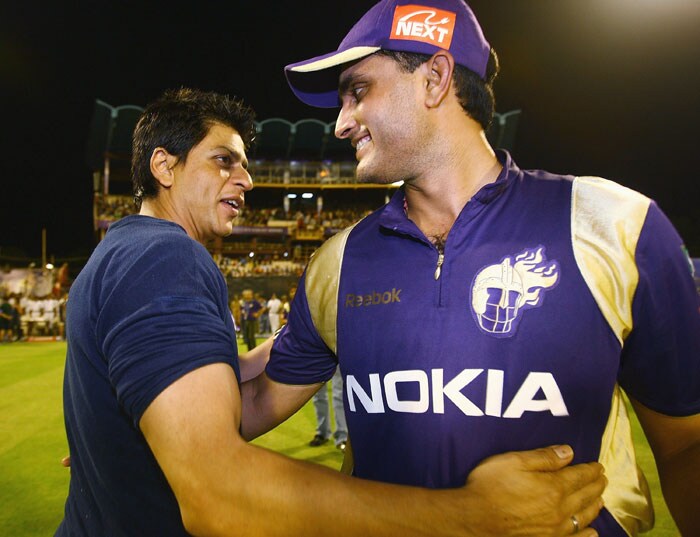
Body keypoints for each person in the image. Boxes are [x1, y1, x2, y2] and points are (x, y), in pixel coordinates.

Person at [56, 87, 606, 537]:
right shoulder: (165, 254)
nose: (245, 180)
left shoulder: (117, 253)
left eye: (244, 165)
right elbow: (216, 494)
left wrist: (320, 329)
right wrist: (474, 516)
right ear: (163, 167)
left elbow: (223, 391)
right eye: (224, 161)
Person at [241, 1, 700, 536]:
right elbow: (253, 401)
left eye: (358, 91)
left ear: (436, 78)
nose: (342, 123)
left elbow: (687, 442)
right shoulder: (337, 263)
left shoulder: (614, 227)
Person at [309, 366, 348, 451]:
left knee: (339, 394)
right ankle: (322, 433)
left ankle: (342, 437)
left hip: (336, 354)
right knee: (318, 395)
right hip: (317, 356)